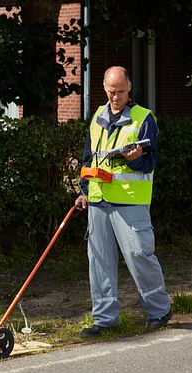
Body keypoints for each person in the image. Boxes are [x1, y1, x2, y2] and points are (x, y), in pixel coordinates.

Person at [74, 66, 172, 337]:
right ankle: (105, 320)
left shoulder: (143, 118)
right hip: (98, 200)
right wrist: (84, 190)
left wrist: (136, 159)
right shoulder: (97, 117)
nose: (115, 96)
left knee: (140, 255)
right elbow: (88, 160)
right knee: (100, 261)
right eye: (110, 91)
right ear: (104, 88)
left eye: (119, 91)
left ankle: (159, 311)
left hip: (130, 202)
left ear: (129, 88)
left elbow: (150, 162)